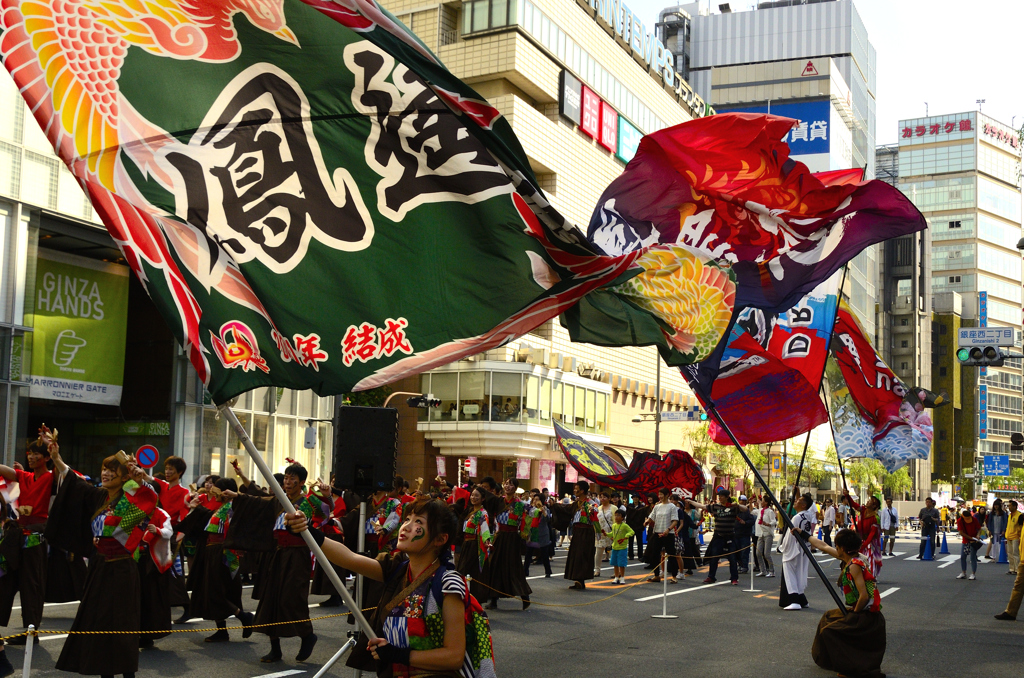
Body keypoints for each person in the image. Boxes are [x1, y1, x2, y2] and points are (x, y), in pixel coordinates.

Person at [288, 498, 495, 678]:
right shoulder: (396, 569)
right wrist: (307, 531)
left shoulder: (449, 584)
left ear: (440, 539)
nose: (405, 526)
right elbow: (349, 558)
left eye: (418, 522)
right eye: (407, 519)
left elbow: (454, 657)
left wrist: (399, 655)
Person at [45, 444, 159, 678]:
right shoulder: (100, 496)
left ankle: (127, 673)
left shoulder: (131, 495)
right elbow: (74, 482)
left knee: (121, 622)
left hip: (121, 567)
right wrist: (56, 457)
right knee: (96, 621)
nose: (105, 473)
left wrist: (140, 480)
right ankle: (102, 671)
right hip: (98, 566)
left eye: (112, 470)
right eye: (104, 469)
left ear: (125, 476)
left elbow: (150, 499)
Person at [222, 464, 318, 663]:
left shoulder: (307, 502)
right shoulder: (278, 501)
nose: (288, 482)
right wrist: (237, 496)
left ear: (301, 483)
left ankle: (307, 635)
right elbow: (257, 500)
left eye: (293, 479)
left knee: (292, 599)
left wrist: (323, 496)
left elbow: (324, 513)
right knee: (270, 599)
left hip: (297, 555)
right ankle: (275, 649)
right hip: (277, 554)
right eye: (286, 478)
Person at [799, 528, 886, 678]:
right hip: (860, 610)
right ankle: (828, 661)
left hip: (866, 615)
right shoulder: (852, 557)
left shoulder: (854, 566)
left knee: (830, 631)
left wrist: (854, 613)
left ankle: (849, 668)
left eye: (837, 546)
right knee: (828, 617)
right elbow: (823, 546)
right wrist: (803, 534)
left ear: (843, 549)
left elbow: (864, 596)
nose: (835, 548)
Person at [0, 428, 56, 643]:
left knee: (31, 585)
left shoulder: (52, 478)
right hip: (16, 538)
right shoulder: (24, 476)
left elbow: (65, 472)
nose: (32, 457)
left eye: (37, 453)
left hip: (35, 538)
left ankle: (30, 632)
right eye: (29, 453)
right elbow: (3, 470)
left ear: (47, 458)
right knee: (5, 581)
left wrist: (53, 446)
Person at [480, 479, 532, 610]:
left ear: (516, 488)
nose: (508, 486)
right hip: (499, 536)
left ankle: (524, 596)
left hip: (513, 538)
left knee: (514, 567)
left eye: (511, 485)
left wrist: (526, 534)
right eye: (506, 484)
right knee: (494, 566)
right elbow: (485, 496)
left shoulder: (520, 504)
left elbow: (532, 515)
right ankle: (493, 599)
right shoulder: (498, 501)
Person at [550, 481, 599, 590]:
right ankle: (578, 579)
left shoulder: (591, 503)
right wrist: (555, 505)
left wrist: (592, 511)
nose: (574, 490)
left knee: (583, 555)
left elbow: (596, 515)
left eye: (576, 488)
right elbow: (565, 509)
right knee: (576, 555)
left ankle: (581, 579)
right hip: (577, 532)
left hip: (586, 532)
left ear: (582, 490)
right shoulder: (576, 503)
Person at [688, 489, 739, 585]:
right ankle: (711, 577)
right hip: (718, 536)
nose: (720, 498)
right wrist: (691, 502)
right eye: (719, 496)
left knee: (732, 558)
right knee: (714, 557)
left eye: (722, 496)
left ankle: (734, 578)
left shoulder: (733, 507)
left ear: (727, 497)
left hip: (730, 536)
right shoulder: (716, 506)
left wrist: (737, 505)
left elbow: (746, 509)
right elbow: (703, 506)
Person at [779, 492, 816, 610]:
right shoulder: (808, 515)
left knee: (790, 572)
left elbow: (790, 537)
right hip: (805, 548)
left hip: (795, 549)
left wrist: (783, 548)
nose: (795, 501)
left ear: (804, 505)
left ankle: (794, 600)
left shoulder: (797, 517)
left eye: (798, 500)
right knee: (800, 573)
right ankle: (802, 599)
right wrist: (798, 493)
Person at [455, 487, 492, 600]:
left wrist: (486, 540)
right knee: (465, 571)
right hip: (466, 544)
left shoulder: (482, 513)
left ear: (483, 499)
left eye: (477, 496)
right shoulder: (470, 511)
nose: (473, 498)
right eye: (472, 495)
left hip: (474, 545)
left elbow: (485, 529)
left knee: (468, 571)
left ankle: (473, 598)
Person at [843, 490, 881, 578]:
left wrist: (864, 544)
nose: (867, 502)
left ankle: (870, 577)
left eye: (870, 501)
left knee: (868, 560)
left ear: (874, 505)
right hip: (860, 540)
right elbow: (853, 504)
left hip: (869, 544)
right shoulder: (863, 510)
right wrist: (847, 495)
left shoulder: (875, 518)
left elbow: (872, 534)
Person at [644, 489, 679, 583]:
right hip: (657, 532)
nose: (660, 496)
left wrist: (668, 529)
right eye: (659, 494)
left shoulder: (672, 507)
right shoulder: (657, 506)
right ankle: (656, 575)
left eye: (662, 494)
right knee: (655, 555)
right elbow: (651, 516)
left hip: (668, 534)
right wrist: (647, 521)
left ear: (667, 495)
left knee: (671, 555)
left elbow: (675, 521)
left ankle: (674, 576)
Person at [996, 505, 1024, 621]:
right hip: (1023, 561)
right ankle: (1011, 612)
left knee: (1018, 586)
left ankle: (1011, 612)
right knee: (1018, 586)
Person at [523, 495, 552, 578]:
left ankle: (548, 571)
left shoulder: (545, 509)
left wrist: (543, 512)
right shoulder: (530, 510)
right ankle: (525, 570)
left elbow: (548, 520)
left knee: (544, 554)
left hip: (542, 534)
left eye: (537, 500)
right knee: (528, 553)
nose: (535, 501)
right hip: (532, 533)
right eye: (534, 499)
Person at [956, 508, 982, 581]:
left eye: (969, 518)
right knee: (963, 557)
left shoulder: (974, 520)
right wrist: (970, 538)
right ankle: (963, 573)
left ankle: (973, 574)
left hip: (974, 541)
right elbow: (961, 532)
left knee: (973, 557)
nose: (968, 520)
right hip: (966, 540)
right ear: (963, 517)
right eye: (966, 518)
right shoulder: (960, 521)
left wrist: (977, 535)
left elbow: (979, 529)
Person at [608, 509, 633, 585]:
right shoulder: (614, 525)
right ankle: (616, 577)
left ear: (623, 517)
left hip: (622, 547)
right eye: (615, 515)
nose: (616, 517)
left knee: (621, 563)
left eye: (618, 515)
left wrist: (626, 536)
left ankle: (622, 577)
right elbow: (612, 534)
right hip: (615, 547)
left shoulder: (625, 525)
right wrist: (606, 534)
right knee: (615, 563)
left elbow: (631, 532)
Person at [754, 496, 777, 578]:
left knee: (766, 554)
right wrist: (750, 503)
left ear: (766, 502)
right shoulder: (760, 510)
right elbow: (751, 511)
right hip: (761, 533)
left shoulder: (770, 511)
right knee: (758, 553)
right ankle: (763, 570)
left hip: (767, 533)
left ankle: (771, 571)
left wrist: (768, 524)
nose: (761, 502)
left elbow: (774, 521)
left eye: (762, 501)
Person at [594, 492, 615, 577]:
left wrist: (615, 533)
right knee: (598, 552)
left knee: (613, 553)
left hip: (611, 532)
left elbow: (616, 520)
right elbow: (595, 520)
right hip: (600, 532)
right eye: (601, 497)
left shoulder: (613, 508)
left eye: (604, 497)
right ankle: (597, 570)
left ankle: (616, 570)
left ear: (609, 498)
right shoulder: (598, 508)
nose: (602, 499)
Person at [734, 496, 755, 574]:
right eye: (741, 500)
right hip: (736, 534)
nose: (742, 502)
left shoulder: (747, 511)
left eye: (743, 501)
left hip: (745, 534)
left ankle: (744, 566)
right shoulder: (735, 510)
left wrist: (745, 523)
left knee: (744, 551)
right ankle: (740, 565)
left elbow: (752, 521)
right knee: (737, 551)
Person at [1005, 500, 1023, 576]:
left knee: (1016, 554)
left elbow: (1021, 527)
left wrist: (1020, 537)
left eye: (1010, 506)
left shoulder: (1019, 515)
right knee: (1010, 553)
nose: (1009, 507)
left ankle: (1017, 569)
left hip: (1016, 537)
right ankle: (1011, 568)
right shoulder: (1010, 515)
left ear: (1014, 507)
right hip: (1009, 536)